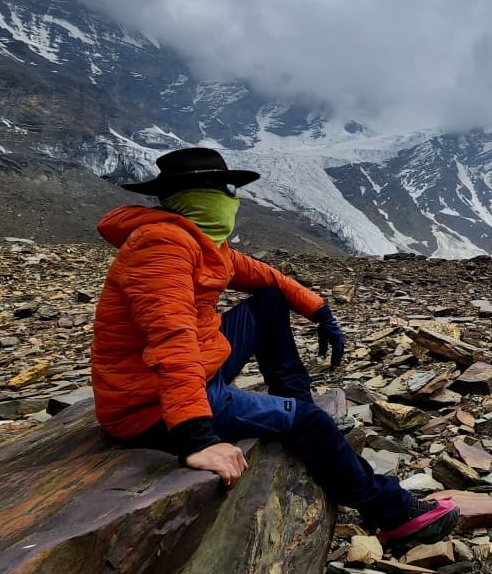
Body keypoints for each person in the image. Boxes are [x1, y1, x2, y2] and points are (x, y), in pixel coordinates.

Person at [89, 146, 457, 547]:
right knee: (310, 423)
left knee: (269, 302)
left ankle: (295, 405)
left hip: (194, 368)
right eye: (224, 188)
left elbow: (267, 278)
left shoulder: (202, 243)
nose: (231, 198)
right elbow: (171, 340)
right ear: (201, 194)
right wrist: (197, 439)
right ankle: (391, 514)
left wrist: (320, 311)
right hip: (151, 404)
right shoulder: (162, 247)